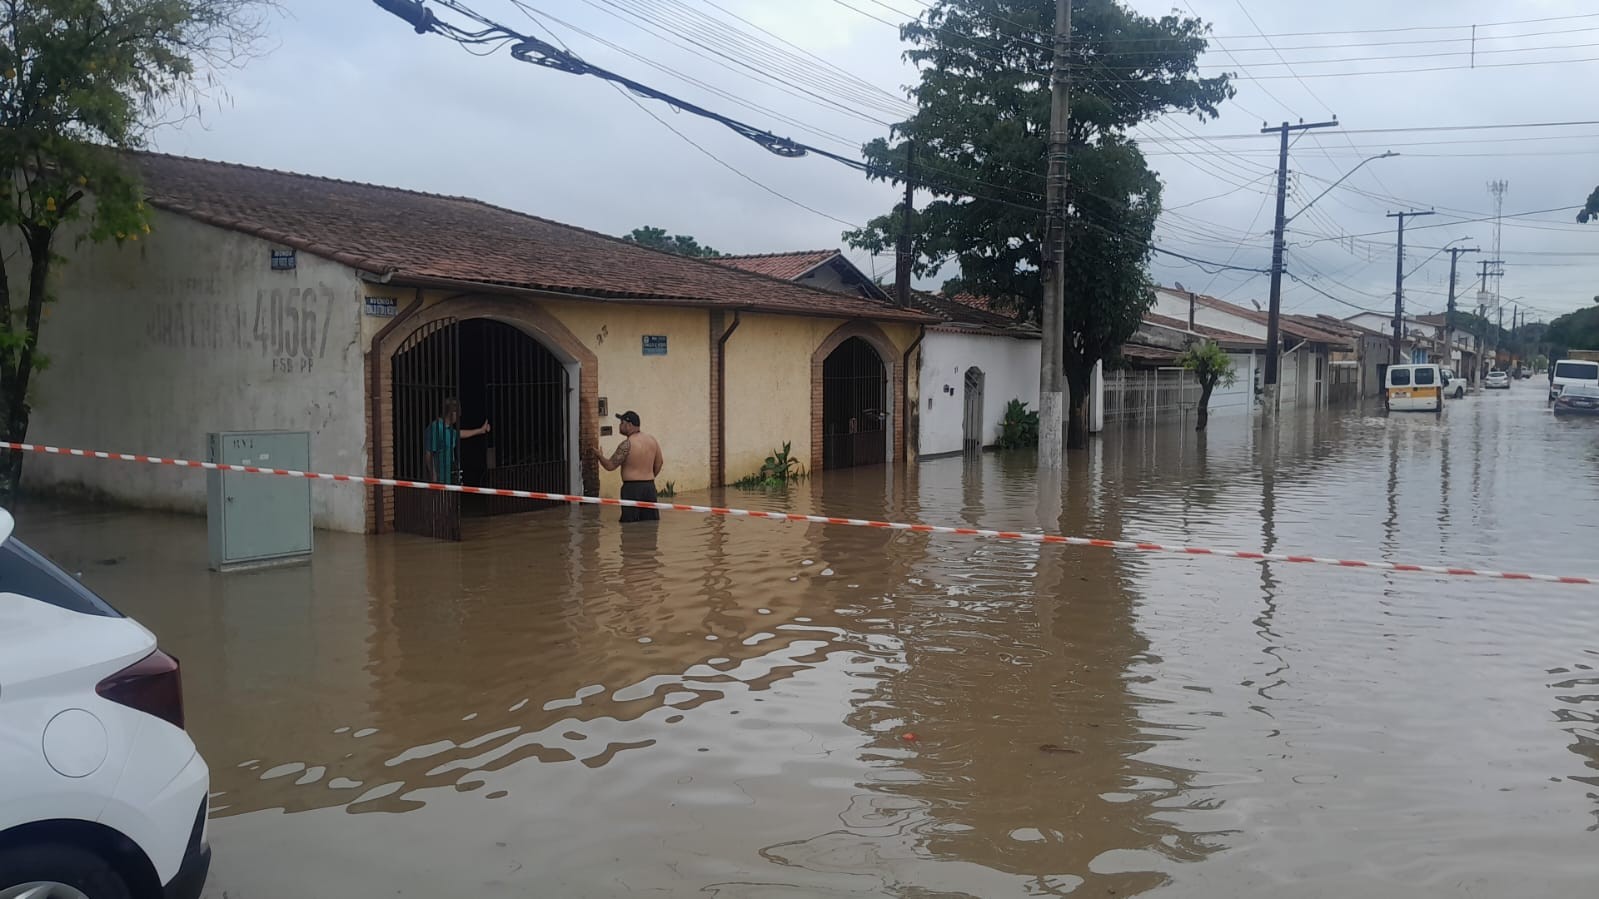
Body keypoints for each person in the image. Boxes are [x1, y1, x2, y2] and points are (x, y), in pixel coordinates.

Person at [592, 410, 663, 522]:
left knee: (629, 525)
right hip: (650, 487)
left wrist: (599, 456)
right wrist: (648, 476)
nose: (620, 426)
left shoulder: (626, 444)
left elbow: (610, 466)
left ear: (629, 425)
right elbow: (659, 463)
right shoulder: (652, 440)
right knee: (650, 524)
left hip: (632, 489)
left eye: (622, 423)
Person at [426, 398, 489, 484]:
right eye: (458, 413)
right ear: (452, 413)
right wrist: (433, 475)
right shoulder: (436, 427)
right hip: (439, 479)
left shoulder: (449, 430)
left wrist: (481, 430)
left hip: (450, 478)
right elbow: (428, 453)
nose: (459, 416)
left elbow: (461, 433)